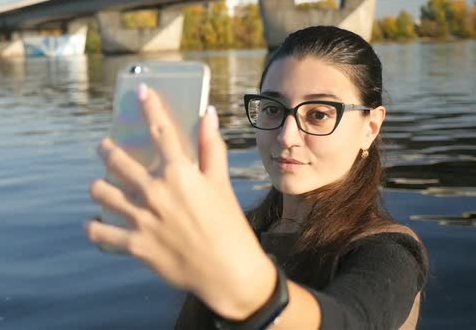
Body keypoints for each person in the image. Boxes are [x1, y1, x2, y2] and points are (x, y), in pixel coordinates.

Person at [86, 26, 429, 330]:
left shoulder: (388, 251)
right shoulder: (242, 232)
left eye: (319, 114)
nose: (286, 136)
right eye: (272, 109)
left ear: (370, 127)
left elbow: (351, 320)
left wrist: (246, 290)